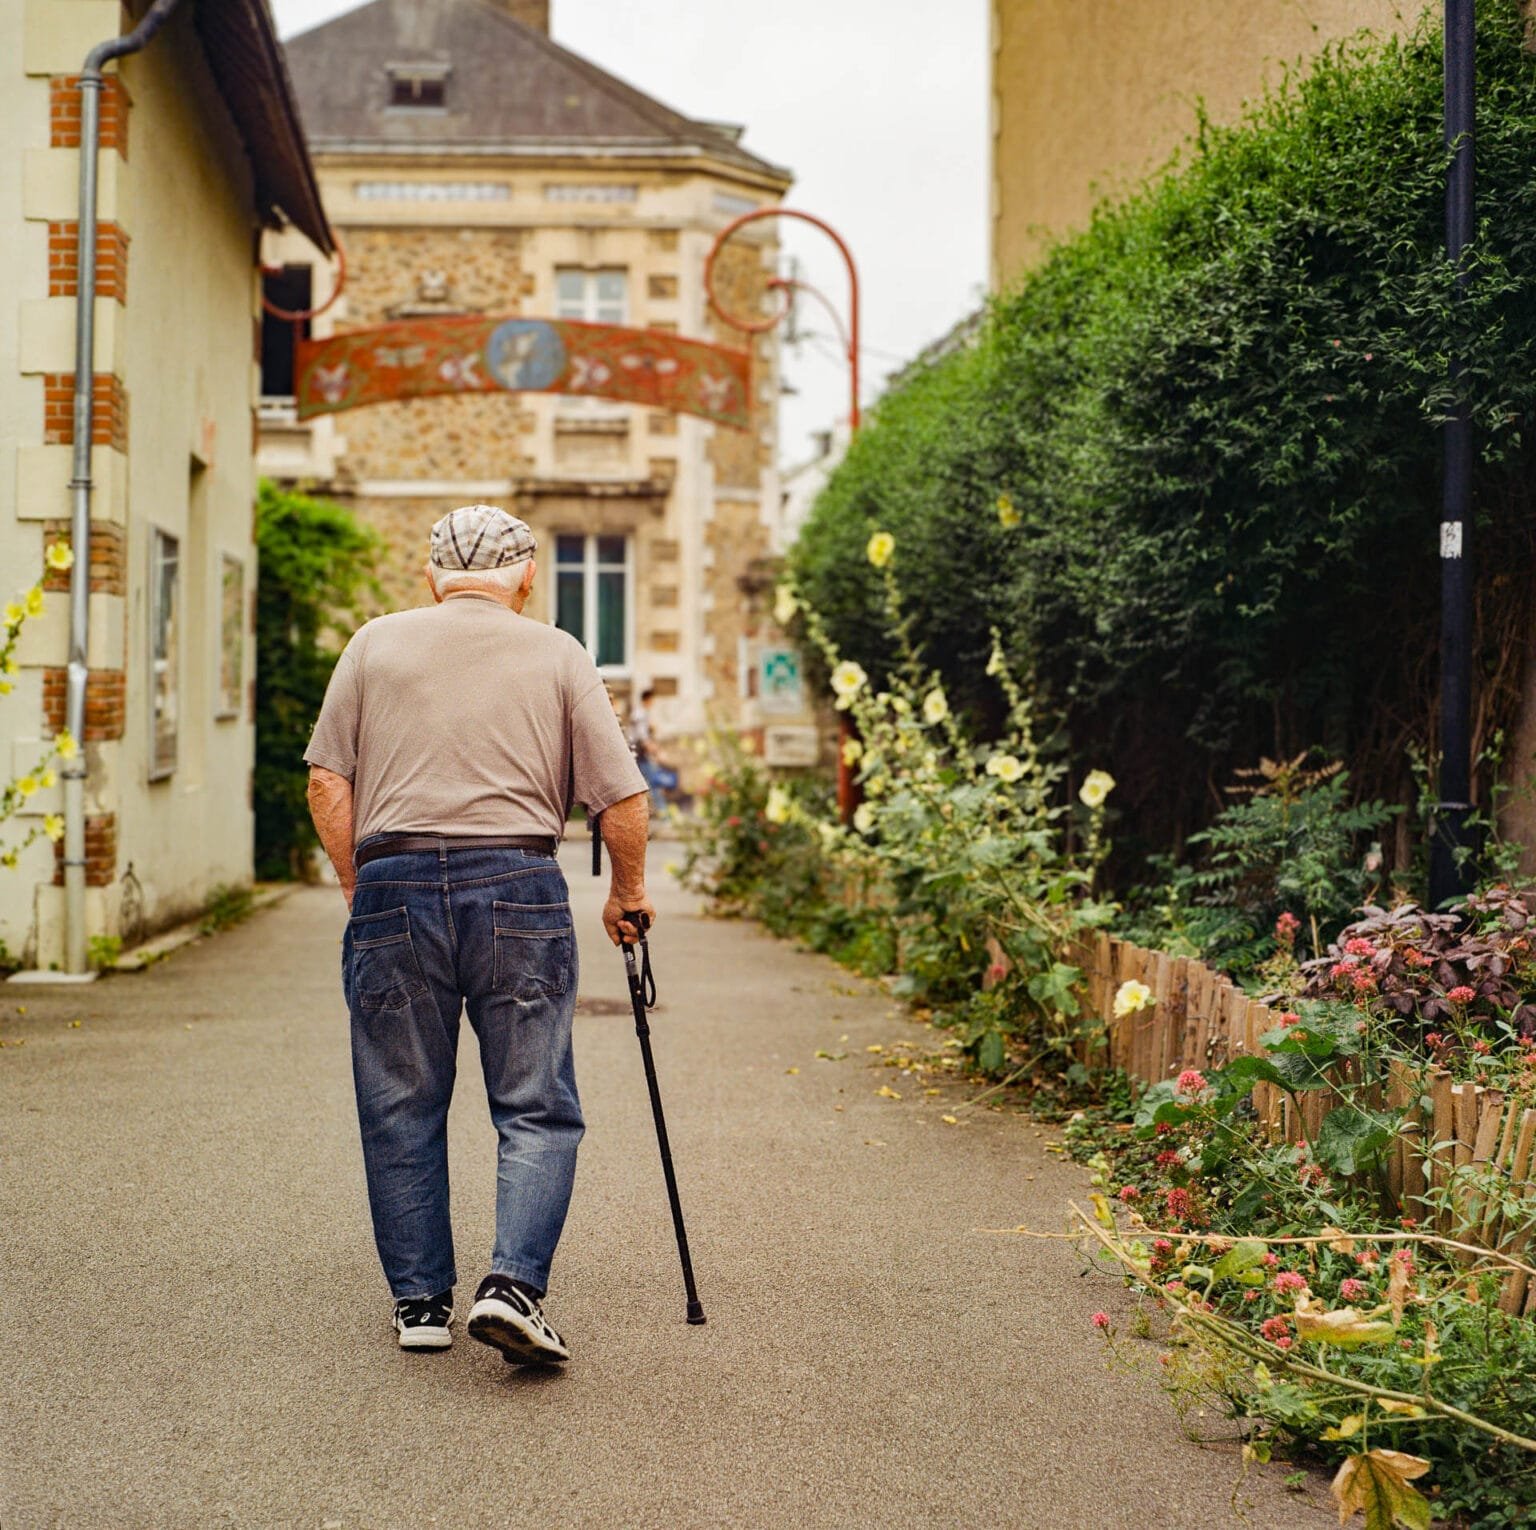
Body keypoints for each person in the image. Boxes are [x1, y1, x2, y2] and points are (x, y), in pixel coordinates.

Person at [304, 503, 654, 1367]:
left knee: (399, 1102)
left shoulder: (373, 644)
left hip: (394, 881)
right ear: (527, 575)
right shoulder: (560, 652)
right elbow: (623, 797)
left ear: (431, 577)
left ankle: (421, 1304)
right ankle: (512, 1288)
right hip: (519, 887)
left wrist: (360, 886)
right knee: (534, 1102)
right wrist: (627, 894)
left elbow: (326, 781)